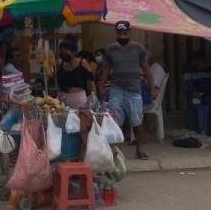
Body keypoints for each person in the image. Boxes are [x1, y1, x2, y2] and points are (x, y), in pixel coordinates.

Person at [98, 21, 157, 160]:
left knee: (137, 120)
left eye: (125, 33)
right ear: (116, 33)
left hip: (134, 90)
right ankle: (115, 151)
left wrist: (152, 88)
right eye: (120, 33)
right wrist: (101, 86)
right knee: (115, 121)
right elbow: (106, 69)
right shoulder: (111, 49)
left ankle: (139, 150)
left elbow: (146, 68)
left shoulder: (138, 48)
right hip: (116, 89)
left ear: (130, 33)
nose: (123, 36)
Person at [57, 41, 94, 109]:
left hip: (79, 98)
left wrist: (93, 98)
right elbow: (59, 82)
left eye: (66, 51)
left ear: (73, 52)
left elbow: (91, 81)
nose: (63, 53)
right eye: (62, 51)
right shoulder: (62, 65)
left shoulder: (82, 63)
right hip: (64, 98)